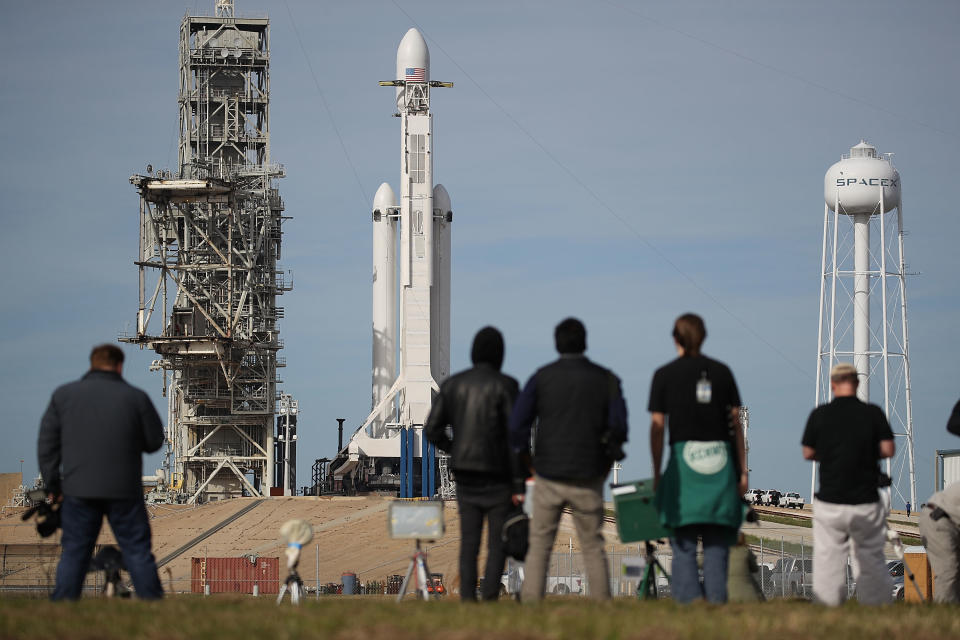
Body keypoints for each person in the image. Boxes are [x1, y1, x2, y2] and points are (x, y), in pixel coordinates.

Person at [509, 318, 627, 602]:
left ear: (556, 343)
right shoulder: (607, 380)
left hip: (548, 474)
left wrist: (528, 462)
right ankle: (602, 608)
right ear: (585, 343)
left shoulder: (541, 378)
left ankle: (531, 607)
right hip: (589, 475)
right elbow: (619, 427)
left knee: (539, 545)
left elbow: (517, 426)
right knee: (591, 545)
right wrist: (605, 463)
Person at [37, 344, 165, 600]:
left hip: (78, 490)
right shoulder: (136, 397)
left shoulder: (63, 396)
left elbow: (47, 446)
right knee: (137, 551)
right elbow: (154, 442)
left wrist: (52, 487)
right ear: (120, 366)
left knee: (74, 551)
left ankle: (62, 606)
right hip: (124, 489)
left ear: (91, 364)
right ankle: (153, 605)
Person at [648, 313, 745, 604]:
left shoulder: (664, 375)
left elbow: (657, 427)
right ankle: (716, 602)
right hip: (720, 463)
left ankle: (689, 603)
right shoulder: (723, 372)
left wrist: (657, 472)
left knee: (684, 541)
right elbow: (736, 423)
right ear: (703, 337)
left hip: (683, 465)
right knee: (717, 541)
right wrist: (742, 472)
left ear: (675, 339)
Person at [424, 327, 524, 601]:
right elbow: (517, 439)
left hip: (466, 477)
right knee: (497, 543)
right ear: (500, 354)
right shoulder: (508, 386)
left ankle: (467, 597)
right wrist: (519, 481)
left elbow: (431, 429)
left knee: (469, 542)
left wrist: (455, 449)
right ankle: (490, 593)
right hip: (499, 477)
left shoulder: (454, 385)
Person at [801, 362, 894, 606]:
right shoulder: (873, 413)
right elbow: (888, 448)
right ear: (857, 383)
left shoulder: (820, 414)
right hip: (865, 500)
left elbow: (807, 452)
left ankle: (828, 607)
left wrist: (831, 453)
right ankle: (876, 609)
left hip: (830, 500)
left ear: (832, 385)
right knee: (870, 558)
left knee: (829, 558)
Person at [917, 399, 960, 603]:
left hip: (947, 519)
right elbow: (953, 424)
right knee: (950, 575)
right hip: (940, 520)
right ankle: (940, 623)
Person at [727, 533, 764, 602]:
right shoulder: (746, 551)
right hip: (748, 593)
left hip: (728, 591)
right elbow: (755, 569)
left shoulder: (725, 552)